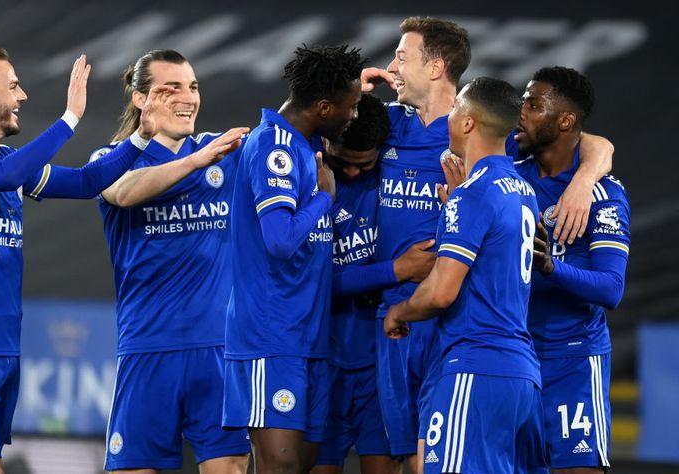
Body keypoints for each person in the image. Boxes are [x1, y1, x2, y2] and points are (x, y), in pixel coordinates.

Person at [360, 17, 615, 472]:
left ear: (436, 68)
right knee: (414, 456)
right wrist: (355, 96)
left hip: (458, 334)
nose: (391, 66)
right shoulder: (392, 124)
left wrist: (585, 179)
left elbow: (589, 142)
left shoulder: (489, 149)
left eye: (401, 56)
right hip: (480, 345)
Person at [0, 44, 157, 474]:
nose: (22, 96)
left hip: (1, 344)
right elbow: (3, 177)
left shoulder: (6, 161)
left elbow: (85, 183)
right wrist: (70, 118)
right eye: (12, 86)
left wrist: (141, 136)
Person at [93, 49, 250, 473]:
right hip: (148, 349)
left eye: (193, 87)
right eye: (171, 89)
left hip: (220, 349)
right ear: (140, 98)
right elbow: (123, 192)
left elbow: (291, 138)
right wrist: (195, 162)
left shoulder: (226, 151)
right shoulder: (109, 159)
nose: (188, 97)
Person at [384, 77, 547, 474]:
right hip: (522, 376)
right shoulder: (523, 190)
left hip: (474, 366)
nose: (450, 116)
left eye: (456, 108)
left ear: (469, 122)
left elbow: (441, 292)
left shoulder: (474, 194)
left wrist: (399, 312)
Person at [222, 44, 363, 473]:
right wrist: (323, 199)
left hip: (309, 338)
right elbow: (280, 241)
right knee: (280, 467)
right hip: (271, 338)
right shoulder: (274, 146)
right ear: (324, 108)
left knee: (303, 467)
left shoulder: (306, 146)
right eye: (351, 106)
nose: (354, 115)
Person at [515, 66, 630, 473]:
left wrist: (551, 268)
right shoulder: (510, 173)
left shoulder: (605, 195)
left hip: (574, 360)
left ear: (565, 121)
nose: (521, 112)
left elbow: (611, 288)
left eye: (533, 104)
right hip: (513, 357)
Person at [313, 93, 434, 474]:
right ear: (326, 141)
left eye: (364, 164)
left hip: (380, 364)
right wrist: (395, 270)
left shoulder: (394, 181)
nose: (351, 173)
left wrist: (588, 168)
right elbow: (313, 283)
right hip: (322, 361)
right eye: (342, 162)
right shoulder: (308, 182)